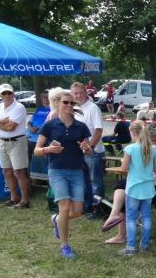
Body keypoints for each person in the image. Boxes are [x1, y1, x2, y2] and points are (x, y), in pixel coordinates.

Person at [102, 124, 156, 245]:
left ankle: (121, 234)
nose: (155, 142)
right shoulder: (151, 148)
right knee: (122, 184)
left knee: (126, 200)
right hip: (150, 184)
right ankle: (115, 215)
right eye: (152, 140)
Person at [35, 89, 93, 259]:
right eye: (65, 102)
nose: (69, 105)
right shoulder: (50, 125)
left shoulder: (80, 126)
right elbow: (37, 150)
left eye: (71, 103)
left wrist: (86, 148)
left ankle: (56, 220)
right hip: (57, 170)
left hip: (77, 171)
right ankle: (64, 246)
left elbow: (89, 151)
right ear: (57, 104)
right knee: (65, 207)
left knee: (77, 211)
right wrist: (48, 149)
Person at [117, 121, 156, 255]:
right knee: (146, 216)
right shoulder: (152, 149)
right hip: (148, 188)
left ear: (133, 133)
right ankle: (144, 245)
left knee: (131, 218)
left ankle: (130, 247)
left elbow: (123, 169)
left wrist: (124, 164)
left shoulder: (130, 149)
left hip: (133, 188)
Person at [0, 83, 30, 208]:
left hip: (17, 142)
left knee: (19, 172)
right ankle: (14, 198)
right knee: (6, 171)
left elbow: (11, 127)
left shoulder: (19, 107)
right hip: (3, 142)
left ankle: (25, 201)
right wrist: (2, 121)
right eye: (4, 93)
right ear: (0, 95)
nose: (7, 95)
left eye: (9, 92)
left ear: (13, 93)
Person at [71, 82, 106, 216]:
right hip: (78, 152)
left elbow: (98, 131)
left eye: (80, 93)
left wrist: (89, 148)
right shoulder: (73, 109)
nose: (78, 95)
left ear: (86, 93)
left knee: (95, 181)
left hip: (93, 152)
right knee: (83, 181)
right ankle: (87, 206)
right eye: (75, 93)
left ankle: (98, 208)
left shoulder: (93, 108)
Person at [27, 91, 52, 161]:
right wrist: (31, 128)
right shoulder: (39, 109)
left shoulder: (53, 110)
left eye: (47, 97)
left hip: (41, 140)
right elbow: (29, 122)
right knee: (28, 161)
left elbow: (49, 123)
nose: (45, 99)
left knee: (39, 161)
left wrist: (38, 128)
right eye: (43, 97)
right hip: (30, 138)